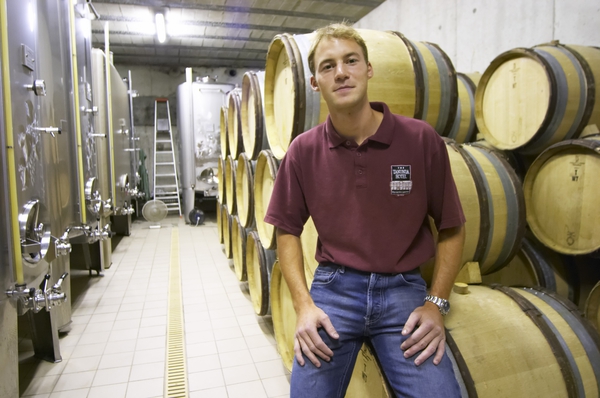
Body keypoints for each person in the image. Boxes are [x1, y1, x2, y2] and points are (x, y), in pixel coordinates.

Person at [265, 22, 466, 398]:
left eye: (351, 61)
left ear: (368, 69)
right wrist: (303, 305)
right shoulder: (303, 151)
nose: (341, 72)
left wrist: (436, 303)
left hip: (403, 293)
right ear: (315, 83)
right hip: (334, 291)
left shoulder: (420, 139)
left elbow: (452, 226)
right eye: (327, 66)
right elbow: (286, 230)